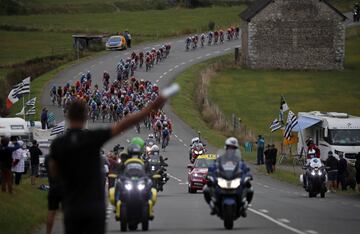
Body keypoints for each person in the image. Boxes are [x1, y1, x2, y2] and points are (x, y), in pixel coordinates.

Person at [49, 95, 165, 234]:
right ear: (86, 116)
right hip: (94, 209)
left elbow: (54, 176)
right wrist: (150, 109)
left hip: (72, 209)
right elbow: (123, 124)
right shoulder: (92, 137)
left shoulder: (58, 144)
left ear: (67, 116)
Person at [204, 137, 253, 216]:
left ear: (236, 149)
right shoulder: (220, 159)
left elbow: (245, 169)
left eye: (233, 148)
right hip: (223, 180)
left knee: (250, 190)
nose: (231, 150)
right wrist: (210, 175)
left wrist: (248, 176)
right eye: (230, 147)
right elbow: (213, 167)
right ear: (226, 148)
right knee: (206, 189)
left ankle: (244, 207)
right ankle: (213, 207)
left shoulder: (239, 160)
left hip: (235, 181)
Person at [46, 154, 63, 234]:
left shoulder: (48, 158)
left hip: (53, 187)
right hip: (65, 188)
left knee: (51, 212)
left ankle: (48, 232)